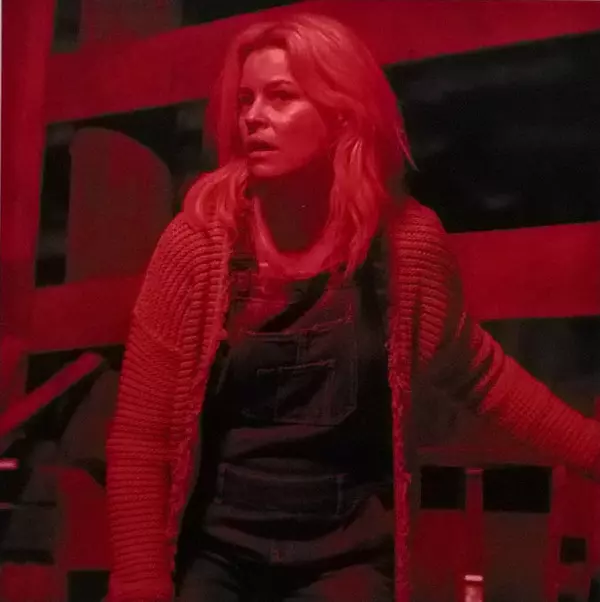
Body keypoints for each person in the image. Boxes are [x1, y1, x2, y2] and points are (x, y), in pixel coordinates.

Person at [106, 13, 600, 602]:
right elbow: (141, 432)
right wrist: (139, 581)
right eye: (245, 100)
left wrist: (592, 450)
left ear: (342, 114)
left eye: (281, 97)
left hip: (345, 555)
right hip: (219, 551)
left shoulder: (404, 246)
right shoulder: (197, 245)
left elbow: (479, 373)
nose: (253, 117)